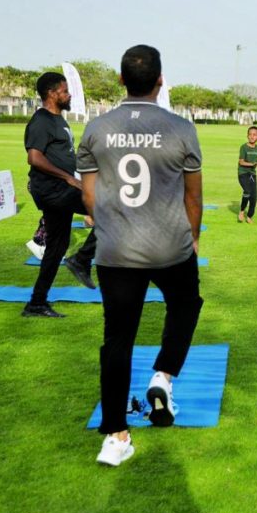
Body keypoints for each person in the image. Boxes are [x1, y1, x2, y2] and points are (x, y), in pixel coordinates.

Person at [77, 45, 204, 467]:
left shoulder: (97, 129)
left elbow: (90, 199)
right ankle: (163, 376)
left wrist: (112, 229)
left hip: (117, 251)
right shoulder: (181, 129)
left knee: (118, 338)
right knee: (185, 305)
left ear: (120, 80)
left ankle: (116, 438)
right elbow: (193, 198)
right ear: (160, 80)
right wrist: (194, 238)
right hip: (171, 246)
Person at [23, 72, 98, 318]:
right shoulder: (41, 121)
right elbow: (34, 157)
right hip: (54, 190)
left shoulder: (58, 120)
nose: (69, 95)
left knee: (56, 247)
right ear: (52, 93)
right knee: (112, 210)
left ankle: (36, 303)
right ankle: (82, 260)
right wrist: (68, 178)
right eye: (65, 91)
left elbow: (63, 155)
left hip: (59, 189)